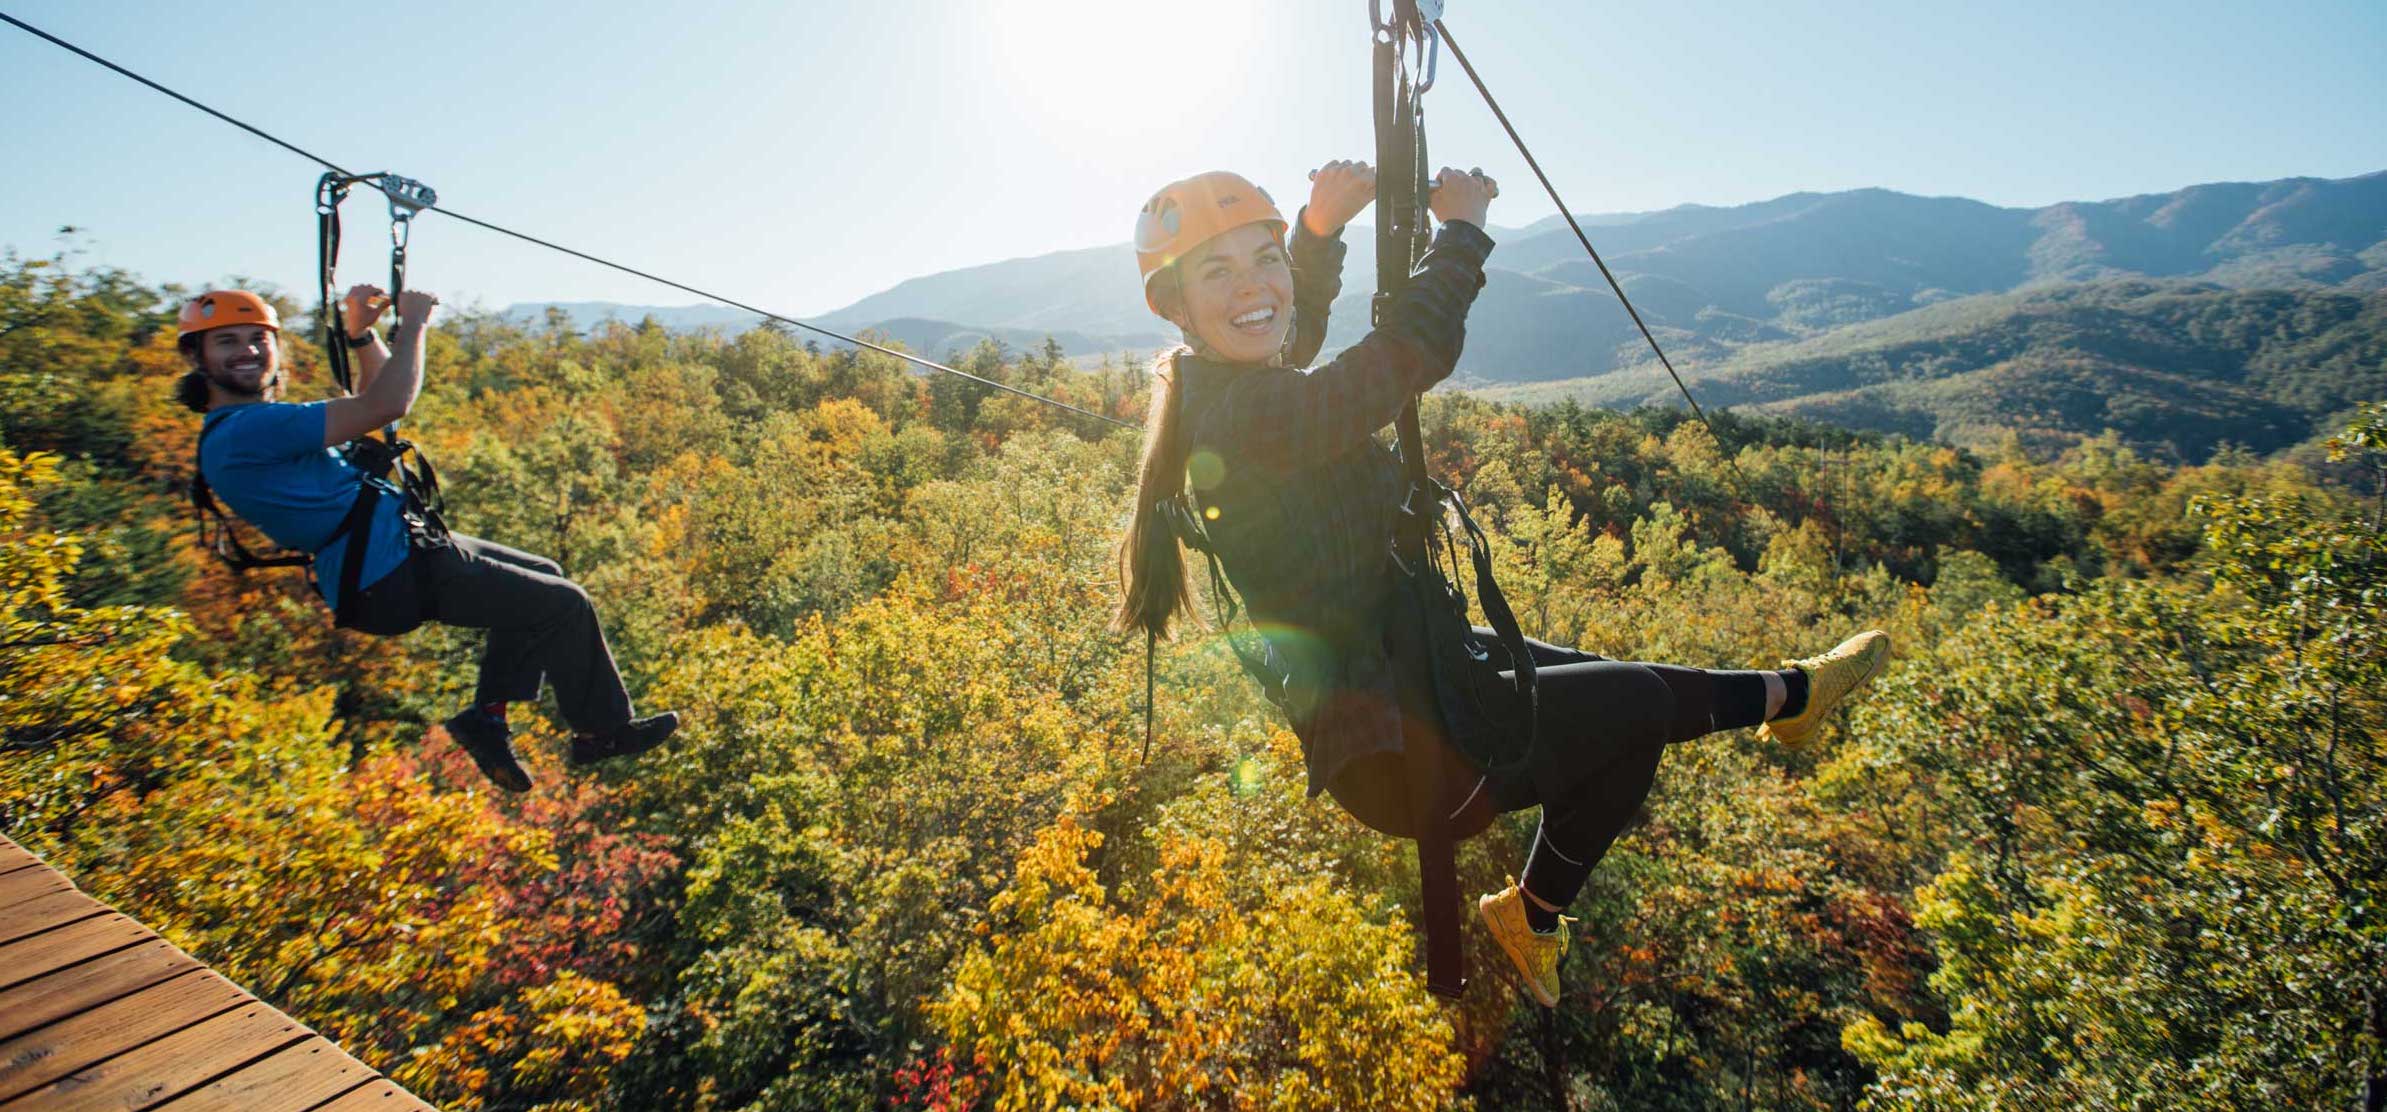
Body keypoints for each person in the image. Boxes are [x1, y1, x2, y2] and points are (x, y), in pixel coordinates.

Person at [1112, 166, 1891, 1008]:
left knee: (1627, 705)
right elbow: (1401, 358)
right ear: (1175, 306)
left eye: (1262, 258)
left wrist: (1319, 232)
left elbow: (1281, 335)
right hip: (1403, 740)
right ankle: (1792, 698)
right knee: (1634, 705)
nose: (1254, 287)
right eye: (1215, 272)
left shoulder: (1219, 389)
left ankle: (1540, 910)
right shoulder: (1249, 419)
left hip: (1423, 668)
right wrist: (1462, 234)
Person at [175, 285, 678, 793]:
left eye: (259, 338)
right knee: (565, 604)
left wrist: (361, 335)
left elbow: (380, 415)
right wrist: (414, 324)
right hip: (387, 572)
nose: (249, 351)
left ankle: (489, 717)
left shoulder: (258, 426)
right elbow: (387, 401)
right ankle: (602, 732)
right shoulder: (246, 431)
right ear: (196, 356)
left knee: (545, 577)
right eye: (227, 342)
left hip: (397, 553)